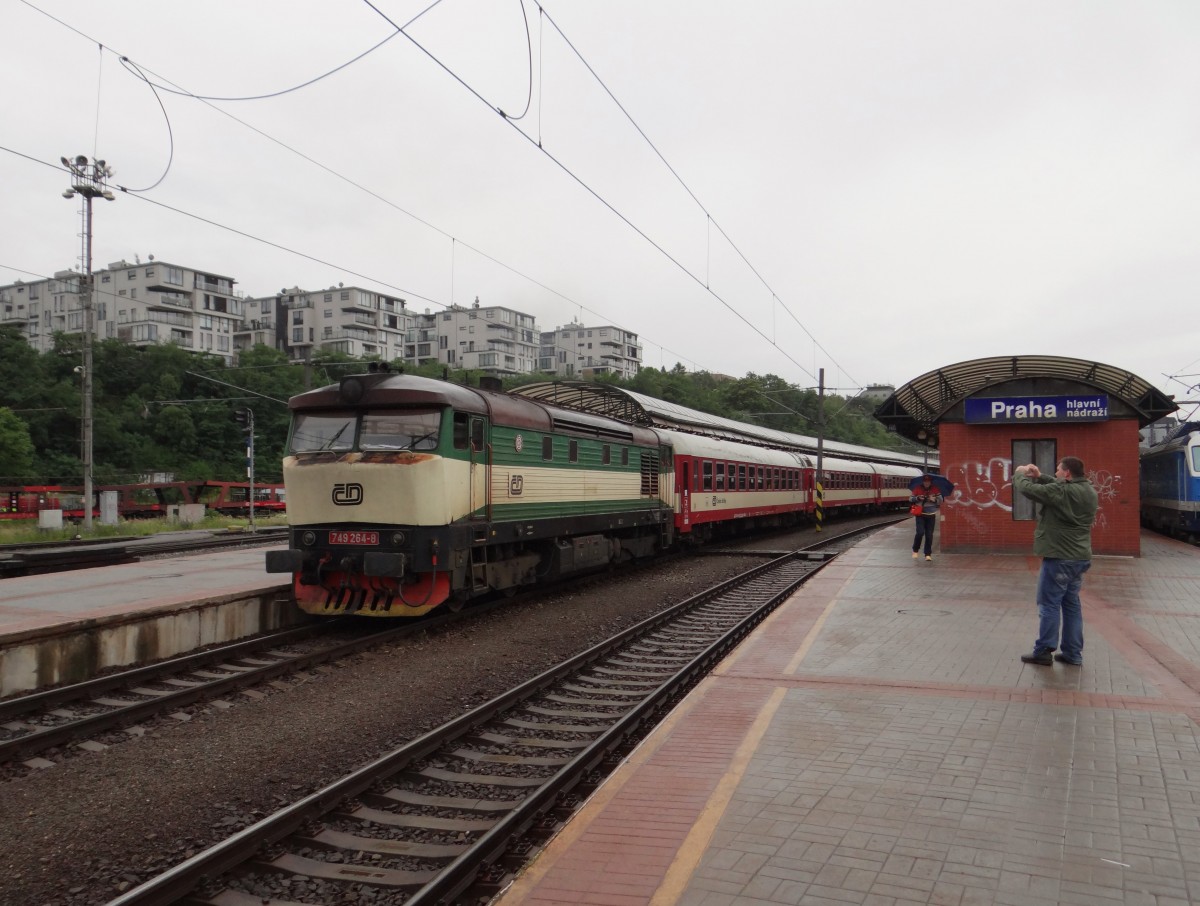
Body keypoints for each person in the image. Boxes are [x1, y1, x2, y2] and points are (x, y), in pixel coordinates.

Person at [1012, 457, 1099, 666]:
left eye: (1059, 470)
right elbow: (1055, 486)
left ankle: (1043, 650)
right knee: (1071, 606)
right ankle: (1073, 654)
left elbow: (1029, 490)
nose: (1057, 473)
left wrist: (1019, 473)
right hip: (1079, 558)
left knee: (1049, 604)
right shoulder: (1089, 491)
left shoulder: (1063, 492)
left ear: (1067, 473)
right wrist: (1041, 476)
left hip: (1060, 557)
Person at [910, 475, 943, 561]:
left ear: (930, 482)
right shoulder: (917, 488)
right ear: (923, 482)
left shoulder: (935, 489)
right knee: (920, 532)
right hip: (920, 514)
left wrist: (934, 499)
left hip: (931, 514)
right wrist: (918, 498)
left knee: (929, 535)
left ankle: (927, 554)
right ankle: (915, 550)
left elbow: (941, 500)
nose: (926, 483)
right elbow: (910, 499)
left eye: (928, 481)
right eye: (925, 481)